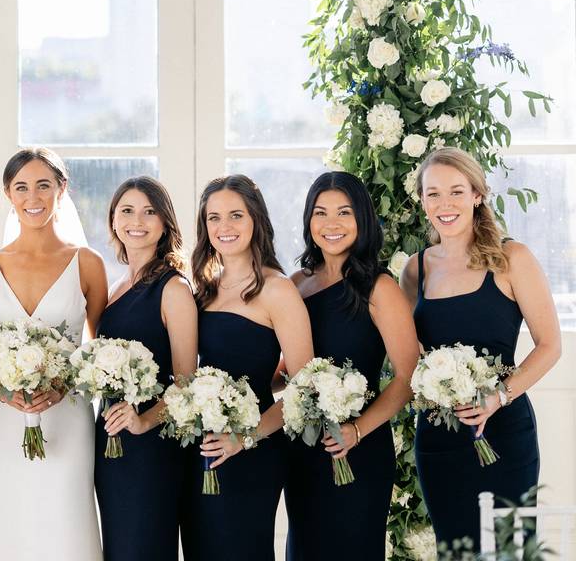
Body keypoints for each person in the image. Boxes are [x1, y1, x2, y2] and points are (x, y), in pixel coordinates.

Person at [401, 147, 561, 550]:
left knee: (512, 549)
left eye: (456, 191)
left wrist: (498, 396)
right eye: (432, 193)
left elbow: (550, 345)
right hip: (439, 437)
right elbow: (408, 359)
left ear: (477, 194)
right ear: (422, 200)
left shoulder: (512, 258)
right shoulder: (414, 270)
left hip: (505, 432)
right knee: (454, 550)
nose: (444, 204)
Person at [0, 147, 108, 560]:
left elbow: (99, 352)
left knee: (64, 520)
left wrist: (64, 386)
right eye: (22, 187)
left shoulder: (87, 263)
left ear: (62, 190)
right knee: (5, 521)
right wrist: (1, 391)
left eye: (44, 185)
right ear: (8, 194)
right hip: (0, 421)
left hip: (68, 417)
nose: (34, 197)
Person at [284, 171, 418, 560]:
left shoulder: (380, 288)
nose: (332, 224)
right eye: (320, 213)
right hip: (304, 448)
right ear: (309, 221)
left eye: (344, 212)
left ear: (362, 219)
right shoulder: (297, 284)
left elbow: (408, 377)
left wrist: (357, 430)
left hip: (358, 448)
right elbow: (289, 370)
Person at [181, 174, 313, 561]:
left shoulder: (277, 289)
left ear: (256, 219)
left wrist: (244, 438)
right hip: (201, 448)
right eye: (214, 218)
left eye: (236, 215)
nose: (225, 227)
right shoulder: (203, 287)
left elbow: (304, 388)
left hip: (252, 452)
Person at [95, 176, 197, 561]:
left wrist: (144, 421)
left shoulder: (173, 288)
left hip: (151, 447)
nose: (137, 220)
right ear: (113, 220)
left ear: (165, 223)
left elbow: (186, 382)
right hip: (110, 440)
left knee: (144, 548)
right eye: (127, 210)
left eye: (149, 211)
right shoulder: (117, 284)